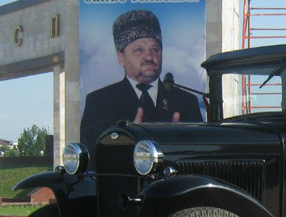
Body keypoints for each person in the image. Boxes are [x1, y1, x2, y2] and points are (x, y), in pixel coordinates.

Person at [79, 9, 202, 146]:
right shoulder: (99, 102)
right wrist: (129, 140)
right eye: (139, 50)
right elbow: (91, 155)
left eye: (154, 49)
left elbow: (201, 153)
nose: (149, 57)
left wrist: (177, 141)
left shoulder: (186, 102)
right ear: (121, 57)